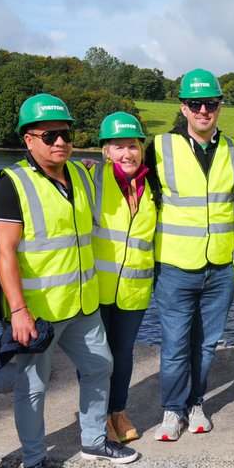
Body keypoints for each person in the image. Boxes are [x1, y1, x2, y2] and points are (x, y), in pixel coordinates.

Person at [0, 93, 139, 468]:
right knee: (34, 388)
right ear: (28, 139)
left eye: (66, 134)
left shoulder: (81, 174)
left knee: (100, 367)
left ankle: (93, 440)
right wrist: (18, 310)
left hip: (81, 302)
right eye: (49, 135)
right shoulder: (12, 183)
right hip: (38, 311)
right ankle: (34, 459)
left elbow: (120, 168)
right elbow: (5, 254)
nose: (60, 142)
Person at [143, 69, 234, 441]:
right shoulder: (159, 147)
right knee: (174, 344)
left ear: (219, 106)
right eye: (196, 104)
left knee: (205, 344)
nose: (204, 110)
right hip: (174, 266)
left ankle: (196, 402)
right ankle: (172, 410)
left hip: (219, 266)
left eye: (211, 104)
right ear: (183, 107)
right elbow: (128, 183)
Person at [92, 112, 157, 444]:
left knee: (123, 353)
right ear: (105, 150)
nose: (127, 154)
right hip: (96, 289)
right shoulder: (91, 181)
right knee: (97, 357)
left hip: (134, 290)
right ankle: (97, 416)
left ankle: (117, 411)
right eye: (118, 147)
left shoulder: (151, 186)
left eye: (132, 146)